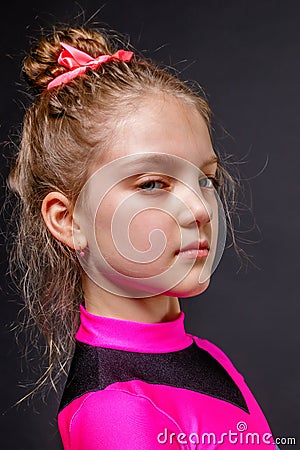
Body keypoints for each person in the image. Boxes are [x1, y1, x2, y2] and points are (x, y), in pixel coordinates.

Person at [8, 25, 279, 449]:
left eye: (206, 179)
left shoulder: (207, 358)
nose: (200, 209)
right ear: (68, 220)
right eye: (152, 184)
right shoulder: (116, 410)